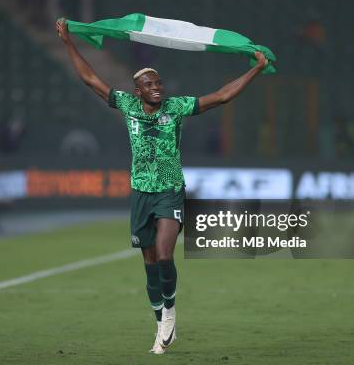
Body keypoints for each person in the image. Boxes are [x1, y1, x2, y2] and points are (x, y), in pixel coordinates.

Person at [55, 18, 268, 355]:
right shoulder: (126, 105)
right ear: (138, 91)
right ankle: (161, 321)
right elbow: (89, 78)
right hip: (141, 192)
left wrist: (256, 68)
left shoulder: (176, 107)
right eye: (150, 84)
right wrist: (68, 41)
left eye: (159, 83)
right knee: (150, 263)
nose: (158, 87)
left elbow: (223, 96)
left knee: (166, 254)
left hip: (170, 190)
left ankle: (169, 310)